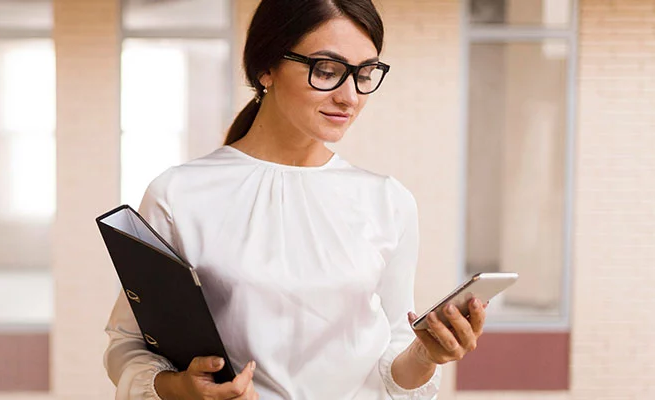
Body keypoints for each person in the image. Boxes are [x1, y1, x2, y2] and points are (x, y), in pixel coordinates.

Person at [104, 1, 488, 399]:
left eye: (365, 73)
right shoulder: (179, 195)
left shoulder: (389, 202)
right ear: (266, 68)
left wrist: (426, 355)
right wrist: (182, 389)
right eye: (327, 70)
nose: (350, 97)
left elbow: (392, 362)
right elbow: (129, 345)